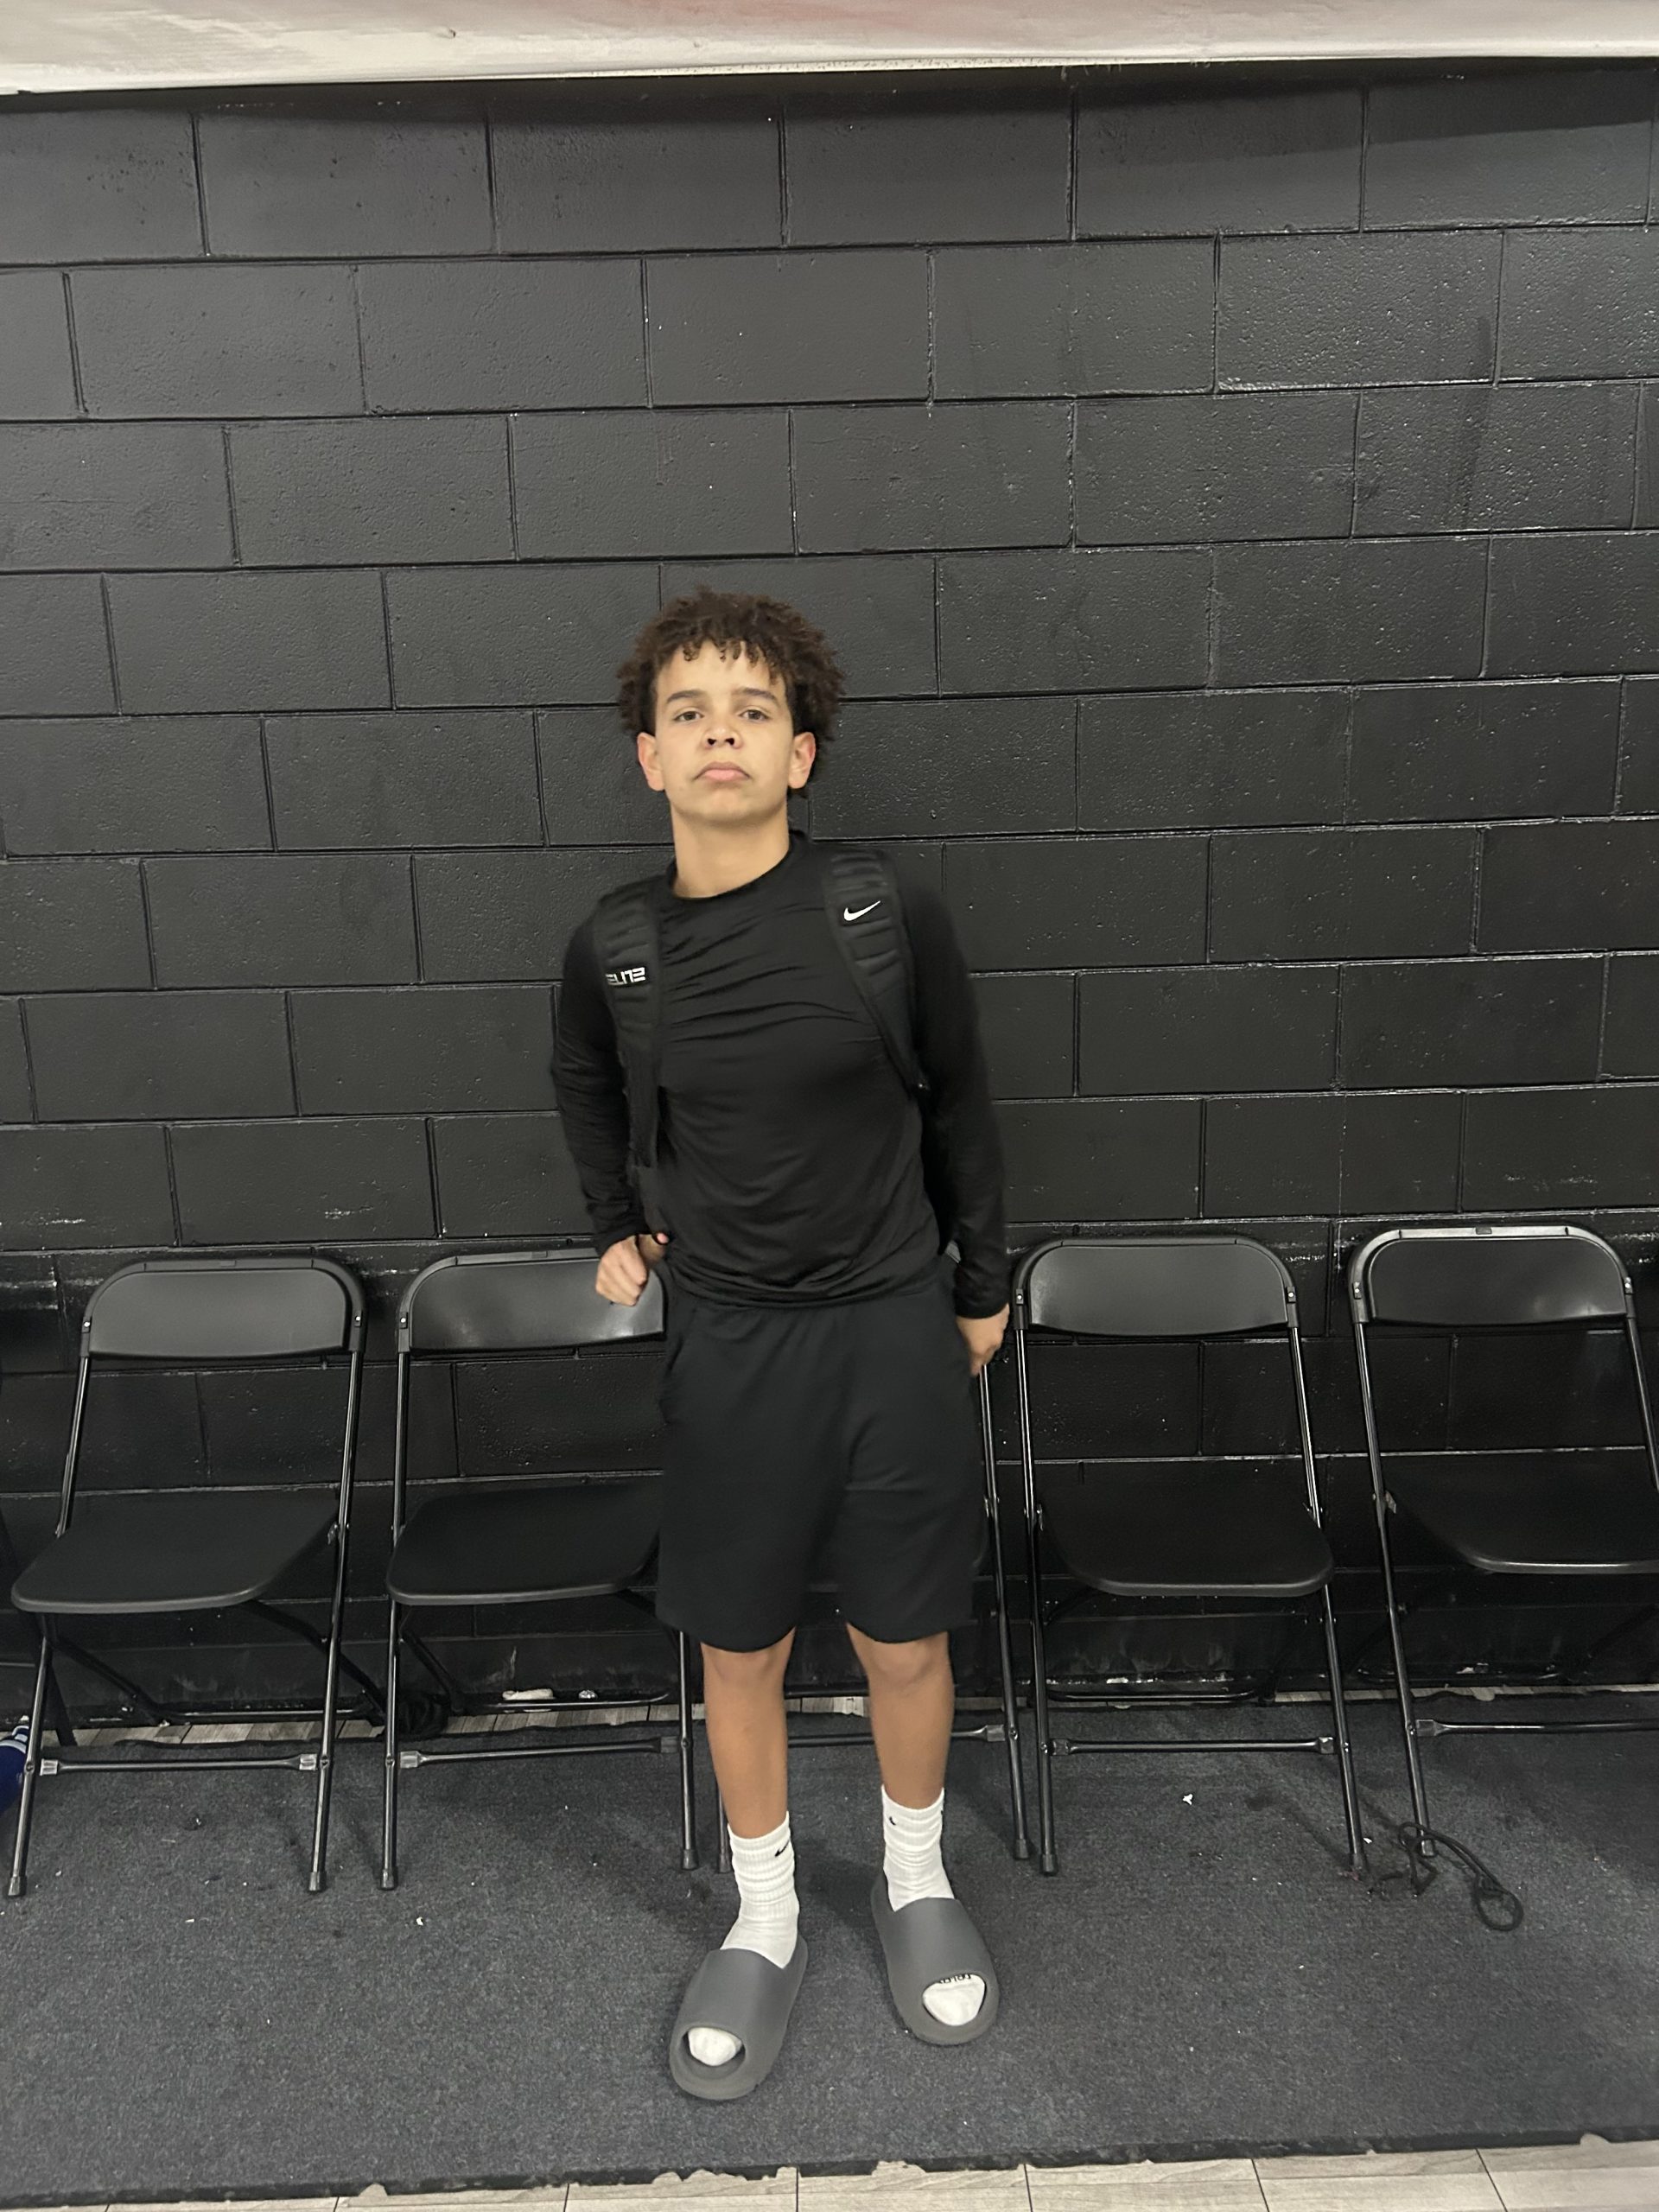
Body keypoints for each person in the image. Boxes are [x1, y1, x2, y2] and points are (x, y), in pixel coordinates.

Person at [552, 586, 1011, 2100]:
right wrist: (614, 1216)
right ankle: (765, 1918)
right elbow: (583, 1083)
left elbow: (964, 1099)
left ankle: (915, 1881)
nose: (721, 734)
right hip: (731, 1343)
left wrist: (982, 1284)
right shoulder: (618, 945)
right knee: (737, 1646)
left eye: (754, 711)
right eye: (688, 712)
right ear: (650, 757)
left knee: (904, 1638)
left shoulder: (880, 912)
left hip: (891, 1327)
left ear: (799, 755)